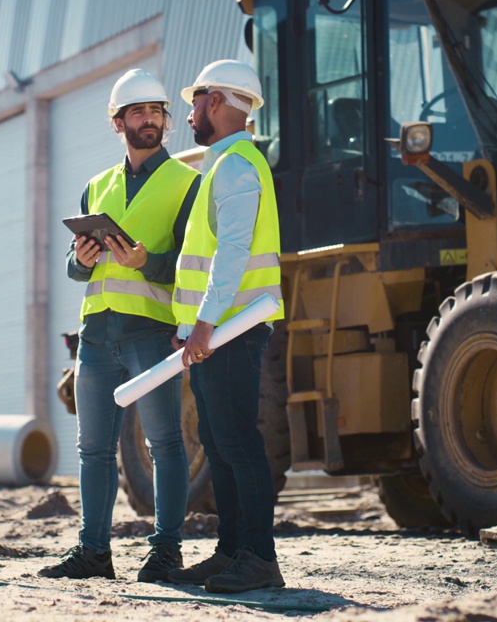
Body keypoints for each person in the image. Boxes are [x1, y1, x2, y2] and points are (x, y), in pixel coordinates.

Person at [38, 69, 200, 583]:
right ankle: (94, 552)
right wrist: (83, 259)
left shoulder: (185, 184)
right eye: (138, 112)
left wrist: (145, 263)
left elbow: (194, 266)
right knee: (92, 450)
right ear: (118, 123)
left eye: (156, 112)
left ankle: (166, 552)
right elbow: (72, 268)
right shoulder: (97, 186)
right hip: (96, 336)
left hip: (151, 333)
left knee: (166, 444)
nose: (150, 119)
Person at [169, 60, 285, 593]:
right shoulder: (225, 164)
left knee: (237, 441)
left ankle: (259, 556)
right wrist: (196, 326)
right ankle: (233, 551)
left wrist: (204, 326)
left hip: (232, 331)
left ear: (216, 101)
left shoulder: (236, 166)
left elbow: (232, 256)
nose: (190, 112)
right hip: (220, 331)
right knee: (218, 440)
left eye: (195, 101)